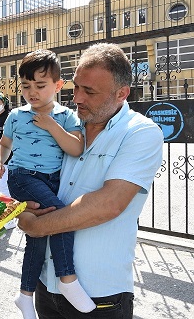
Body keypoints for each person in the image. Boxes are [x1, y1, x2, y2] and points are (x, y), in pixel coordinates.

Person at [17, 43, 163, 319]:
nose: (78, 98)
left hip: (99, 291)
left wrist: (36, 226)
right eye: (76, 87)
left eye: (90, 91)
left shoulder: (141, 133)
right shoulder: (65, 127)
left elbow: (108, 204)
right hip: (47, 282)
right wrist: (24, 206)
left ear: (121, 93)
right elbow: (36, 175)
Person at [0, 49, 92, 319]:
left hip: (52, 181)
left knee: (38, 234)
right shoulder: (16, 116)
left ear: (58, 86)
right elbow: (5, 145)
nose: (32, 92)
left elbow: (76, 148)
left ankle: (24, 296)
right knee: (60, 218)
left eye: (40, 85)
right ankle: (67, 279)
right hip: (23, 177)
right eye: (26, 86)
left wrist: (51, 126)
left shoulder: (67, 116)